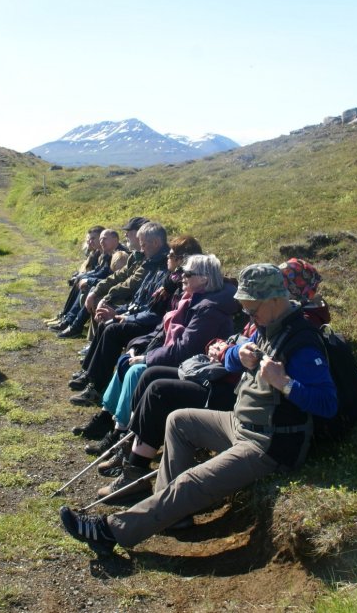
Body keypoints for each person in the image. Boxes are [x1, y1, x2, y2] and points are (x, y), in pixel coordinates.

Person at [59, 263, 338, 557]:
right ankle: (170, 514)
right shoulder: (268, 325)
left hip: (270, 443)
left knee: (191, 482)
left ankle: (110, 531)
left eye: (252, 308)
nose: (249, 315)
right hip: (239, 423)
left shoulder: (302, 342)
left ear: (275, 299)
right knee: (179, 421)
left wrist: (285, 383)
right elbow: (231, 360)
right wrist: (236, 354)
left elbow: (327, 404)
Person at [92, 254, 239, 497]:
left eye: (187, 273)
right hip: (197, 370)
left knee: (156, 387)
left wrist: (147, 358)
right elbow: (163, 332)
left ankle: (135, 472)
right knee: (149, 376)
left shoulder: (209, 309)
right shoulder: (190, 300)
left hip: (208, 378)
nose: (181, 277)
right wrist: (141, 349)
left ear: (204, 279)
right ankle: (130, 446)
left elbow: (184, 349)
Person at [67, 221, 170, 405]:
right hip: (139, 316)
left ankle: (96, 388)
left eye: (144, 244)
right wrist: (116, 311)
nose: (142, 249)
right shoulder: (152, 263)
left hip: (151, 325)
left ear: (156, 243)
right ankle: (90, 374)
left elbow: (154, 311)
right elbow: (138, 298)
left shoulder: (164, 270)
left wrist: (123, 316)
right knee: (106, 323)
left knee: (112, 330)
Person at [54, 229, 129, 337]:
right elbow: (102, 272)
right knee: (83, 284)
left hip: (119, 293)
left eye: (105, 239)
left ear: (115, 239)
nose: (102, 241)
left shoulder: (121, 255)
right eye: (101, 239)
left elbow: (114, 280)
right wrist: (83, 277)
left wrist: (88, 280)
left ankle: (75, 326)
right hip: (112, 288)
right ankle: (67, 319)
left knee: (91, 291)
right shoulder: (108, 253)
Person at [47, 226, 105, 328]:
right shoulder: (98, 252)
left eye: (93, 238)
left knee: (86, 286)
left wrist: (86, 278)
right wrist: (82, 276)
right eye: (89, 239)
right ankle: (65, 316)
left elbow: (104, 274)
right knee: (80, 281)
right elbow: (97, 271)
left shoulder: (112, 253)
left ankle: (71, 323)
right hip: (102, 283)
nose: (90, 242)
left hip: (105, 286)